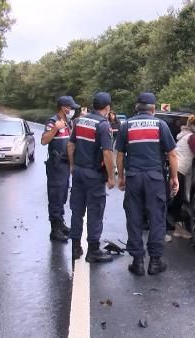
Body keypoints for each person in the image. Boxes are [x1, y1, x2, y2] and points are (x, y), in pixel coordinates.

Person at [116, 92, 179, 276]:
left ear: (136, 108)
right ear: (153, 109)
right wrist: (174, 177)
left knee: (134, 218)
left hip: (134, 178)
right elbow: (172, 154)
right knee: (157, 218)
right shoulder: (160, 125)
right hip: (155, 179)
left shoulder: (126, 125)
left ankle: (137, 263)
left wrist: (121, 177)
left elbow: (120, 155)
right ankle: (155, 262)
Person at [67, 92, 115, 263]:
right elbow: (107, 153)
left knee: (77, 210)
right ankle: (93, 250)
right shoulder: (103, 125)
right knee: (95, 211)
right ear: (107, 108)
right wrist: (111, 176)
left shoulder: (80, 121)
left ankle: (75, 248)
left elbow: (71, 145)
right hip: (94, 175)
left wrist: (72, 165)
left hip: (78, 172)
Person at [41, 96, 79, 242]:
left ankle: (60, 223)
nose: (73, 110)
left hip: (64, 165)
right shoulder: (53, 122)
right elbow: (44, 141)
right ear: (64, 108)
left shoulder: (68, 123)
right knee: (55, 196)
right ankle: (54, 229)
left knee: (63, 195)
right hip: (56, 165)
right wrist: (55, 128)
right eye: (71, 107)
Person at [169, 114, 195, 239]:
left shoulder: (186, 135)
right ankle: (172, 229)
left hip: (176, 169)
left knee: (176, 200)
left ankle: (175, 228)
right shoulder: (193, 138)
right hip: (178, 170)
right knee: (175, 201)